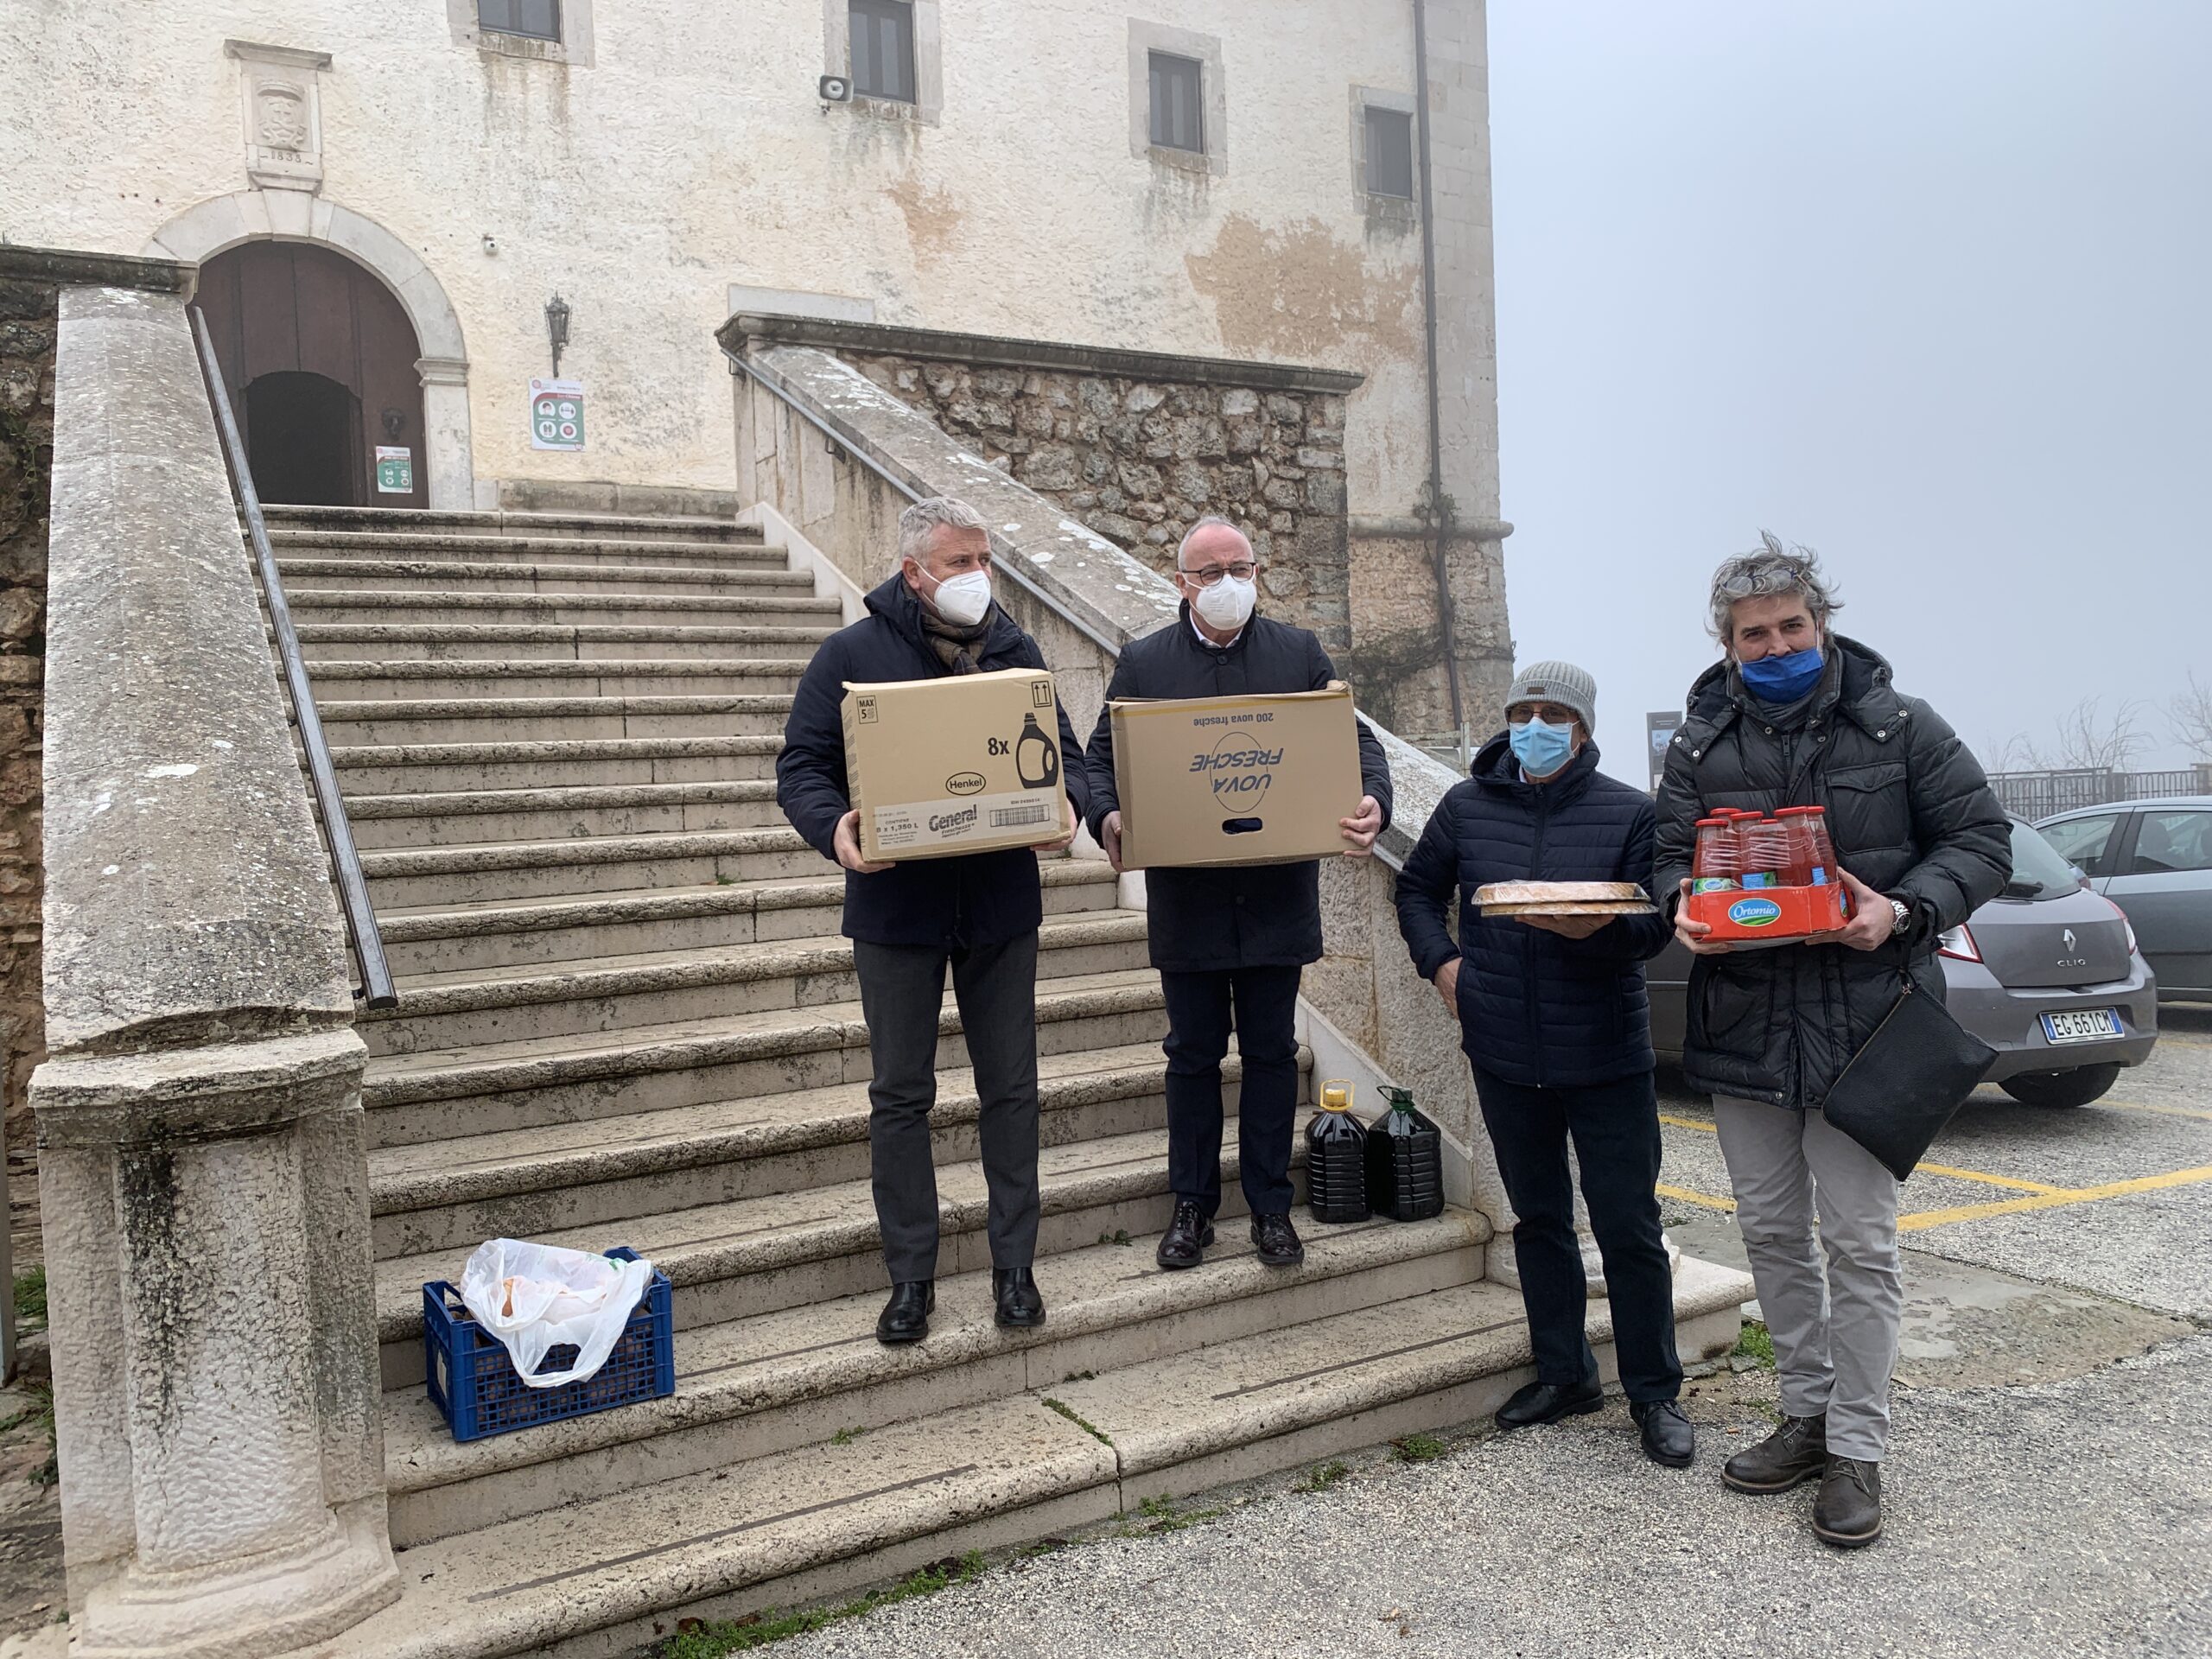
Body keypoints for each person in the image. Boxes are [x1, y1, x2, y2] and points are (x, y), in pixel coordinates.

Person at [1656, 535, 2010, 1547]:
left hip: (1869, 1020)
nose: (1775, 646)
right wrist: (1682, 898)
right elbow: (1667, 852)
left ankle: (1859, 1444)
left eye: (1790, 627)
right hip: (1745, 1024)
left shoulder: (1900, 726)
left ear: (1822, 624)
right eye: (1752, 634)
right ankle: (1804, 1414)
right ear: (1727, 647)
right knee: (1769, 1232)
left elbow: (1980, 842)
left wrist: (1900, 912)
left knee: (1858, 1241)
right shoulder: (1697, 745)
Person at [777, 496, 1090, 1347]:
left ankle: (1014, 1267)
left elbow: (1067, 752)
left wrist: (1074, 802)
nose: (977, 577)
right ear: (914, 571)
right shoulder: (851, 654)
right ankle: (909, 1278)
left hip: (997, 905)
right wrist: (834, 828)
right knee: (900, 1098)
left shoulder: (1015, 650)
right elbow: (800, 764)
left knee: (1012, 1090)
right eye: (960, 562)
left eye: (984, 560)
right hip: (896, 910)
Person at [1394, 661, 1693, 1468]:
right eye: (1522, 710)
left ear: (1583, 726)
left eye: (1551, 712)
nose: (1534, 724)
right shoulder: (1466, 805)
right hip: (1503, 1049)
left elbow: (1652, 928)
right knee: (1540, 1220)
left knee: (1629, 1227)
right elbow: (1416, 891)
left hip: (1606, 1053)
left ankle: (1655, 1394)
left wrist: (1592, 931)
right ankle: (1565, 1373)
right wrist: (1444, 967)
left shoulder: (1632, 812)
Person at [1084, 517, 1391, 1272]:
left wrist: (1374, 800)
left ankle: (1269, 1208)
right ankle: (1190, 1207)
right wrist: (1107, 812)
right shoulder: (1145, 662)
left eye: (1240, 567)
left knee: (1268, 1054)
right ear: (1181, 582)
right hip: (1188, 902)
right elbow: (1099, 758)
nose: (1227, 583)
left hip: (1275, 897)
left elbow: (1357, 744)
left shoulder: (1298, 652)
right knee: (1190, 1056)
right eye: (1210, 571)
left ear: (1258, 573)